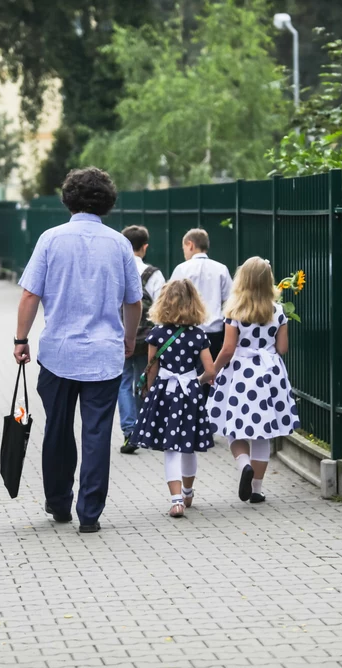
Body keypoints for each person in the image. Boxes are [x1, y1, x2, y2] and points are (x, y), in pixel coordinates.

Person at [14, 167, 143, 534]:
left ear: (68, 198)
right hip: (105, 354)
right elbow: (133, 302)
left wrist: (20, 339)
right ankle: (90, 512)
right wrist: (129, 339)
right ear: (107, 201)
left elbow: (29, 294)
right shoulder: (119, 243)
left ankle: (58, 503)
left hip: (58, 353)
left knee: (57, 429)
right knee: (98, 433)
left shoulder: (51, 239)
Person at [200, 257, 299, 504]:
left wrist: (211, 371)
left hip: (241, 375)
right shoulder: (278, 312)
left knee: (234, 426)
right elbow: (283, 348)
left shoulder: (234, 312)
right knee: (262, 433)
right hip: (269, 374)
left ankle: (243, 464)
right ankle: (256, 490)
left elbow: (228, 349)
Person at [132, 280, 215, 517]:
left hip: (165, 395)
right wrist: (195, 381)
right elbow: (210, 371)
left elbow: (151, 369)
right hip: (189, 395)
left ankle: (176, 500)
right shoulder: (198, 335)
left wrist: (149, 392)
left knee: (171, 448)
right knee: (188, 446)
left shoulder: (156, 334)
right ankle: (188, 492)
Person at [117, 225, 166, 454]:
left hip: (120, 335)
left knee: (124, 383)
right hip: (147, 338)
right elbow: (163, 305)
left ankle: (129, 431)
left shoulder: (116, 269)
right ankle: (145, 430)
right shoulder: (153, 274)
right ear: (144, 247)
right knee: (145, 381)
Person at [169, 228, 232, 397]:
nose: (184, 252)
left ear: (190, 245)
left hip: (187, 332)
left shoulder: (182, 269)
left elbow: (172, 301)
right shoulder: (222, 269)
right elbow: (229, 302)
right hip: (215, 334)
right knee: (212, 377)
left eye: (184, 248)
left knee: (188, 378)